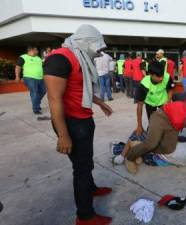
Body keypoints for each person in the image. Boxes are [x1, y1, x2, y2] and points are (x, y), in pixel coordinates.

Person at [43, 24, 113, 225]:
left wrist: (100, 103)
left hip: (83, 120)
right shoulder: (60, 59)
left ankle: (90, 189)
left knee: (85, 161)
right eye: (97, 48)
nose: (99, 53)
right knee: (81, 169)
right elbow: (54, 99)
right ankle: (85, 216)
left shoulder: (80, 56)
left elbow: (80, 88)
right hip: (72, 124)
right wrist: (63, 135)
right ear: (86, 42)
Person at [122, 94, 186, 171]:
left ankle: (137, 147)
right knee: (151, 143)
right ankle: (130, 157)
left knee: (168, 149)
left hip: (173, 126)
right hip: (162, 117)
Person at [133, 61, 174, 136]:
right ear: (151, 75)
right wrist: (139, 126)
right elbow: (139, 106)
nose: (161, 78)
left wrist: (168, 102)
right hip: (150, 102)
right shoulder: (144, 84)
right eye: (158, 76)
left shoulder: (167, 77)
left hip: (163, 101)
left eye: (162, 75)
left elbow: (170, 90)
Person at [15, 46, 46, 115]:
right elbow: (18, 67)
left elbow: (42, 67)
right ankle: (36, 109)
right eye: (36, 50)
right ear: (32, 50)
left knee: (44, 90)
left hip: (40, 78)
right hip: (29, 78)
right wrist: (17, 77)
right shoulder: (23, 57)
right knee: (34, 92)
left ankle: (36, 103)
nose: (37, 51)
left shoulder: (38, 58)